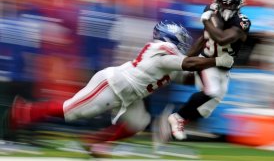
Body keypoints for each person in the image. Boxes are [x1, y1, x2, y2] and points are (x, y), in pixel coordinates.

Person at [9, 20, 234, 142]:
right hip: (112, 85)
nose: (185, 42)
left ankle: (96, 143)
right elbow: (189, 64)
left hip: (130, 94)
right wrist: (217, 60)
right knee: (72, 111)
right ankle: (26, 111)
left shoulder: (171, 55)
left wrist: (207, 44)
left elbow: (188, 63)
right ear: (171, 37)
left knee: (138, 122)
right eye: (182, 38)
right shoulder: (162, 48)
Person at [167, 0, 251, 140]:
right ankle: (177, 117)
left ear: (238, 4)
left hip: (224, 68)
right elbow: (204, 38)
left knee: (205, 110)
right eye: (224, 2)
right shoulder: (213, 14)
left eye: (230, 3)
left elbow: (222, 38)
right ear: (218, 2)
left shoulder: (242, 21)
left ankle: (181, 119)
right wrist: (184, 59)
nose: (226, 6)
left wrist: (206, 20)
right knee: (211, 91)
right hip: (208, 62)